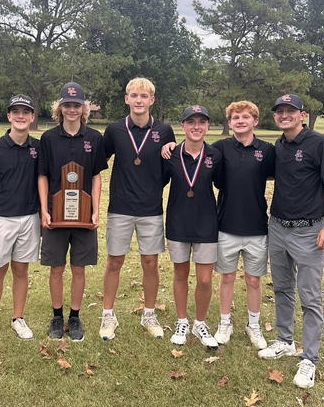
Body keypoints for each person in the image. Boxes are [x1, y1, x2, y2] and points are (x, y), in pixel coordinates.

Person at [258, 94, 324, 389]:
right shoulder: (279, 145)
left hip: (309, 230)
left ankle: (309, 358)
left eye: (290, 111)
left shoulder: (318, 143)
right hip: (278, 227)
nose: (284, 115)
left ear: (302, 115)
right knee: (282, 288)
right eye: (279, 111)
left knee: (309, 296)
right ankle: (284, 340)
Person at [100, 78, 176, 341]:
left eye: (144, 96)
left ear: (152, 100)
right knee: (114, 261)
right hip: (120, 207)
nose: (139, 100)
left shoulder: (164, 130)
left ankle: (149, 314)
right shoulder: (114, 129)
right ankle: (108, 315)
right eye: (134, 95)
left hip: (151, 208)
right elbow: (99, 160)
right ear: (127, 99)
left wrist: (153, 185)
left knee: (150, 262)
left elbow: (169, 166)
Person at [38, 82, 107, 342]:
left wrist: (95, 210)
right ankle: (57, 316)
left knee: (79, 268)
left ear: (83, 108)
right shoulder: (48, 138)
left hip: (83, 217)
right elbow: (42, 176)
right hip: (55, 215)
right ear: (60, 107)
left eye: (76, 105)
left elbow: (97, 176)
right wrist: (44, 210)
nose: (72, 109)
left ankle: (74, 316)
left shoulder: (94, 138)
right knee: (56, 268)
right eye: (67, 105)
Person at [0, 94, 40, 344]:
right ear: (9, 116)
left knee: (21, 270)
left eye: (25, 112)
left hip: (29, 218)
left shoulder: (38, 148)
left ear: (32, 117)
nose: (20, 116)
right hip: (1, 219)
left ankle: (17, 318)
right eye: (16, 112)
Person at [212, 101, 275, 350]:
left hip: (256, 226)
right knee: (227, 276)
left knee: (253, 280)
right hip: (226, 224)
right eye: (235, 118)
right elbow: (194, 154)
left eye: (245, 117)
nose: (240, 121)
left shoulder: (267, 150)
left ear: (255, 121)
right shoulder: (220, 148)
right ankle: (224, 322)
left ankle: (253, 324)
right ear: (229, 123)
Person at [162, 106, 222, 348]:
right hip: (178, 222)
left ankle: (199, 323)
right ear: (183, 126)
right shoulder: (170, 154)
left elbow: (226, 185)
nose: (196, 126)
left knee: (205, 280)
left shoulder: (216, 155)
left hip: (207, 224)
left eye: (201, 122)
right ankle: (182, 321)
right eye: (191, 122)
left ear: (207, 126)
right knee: (180, 275)